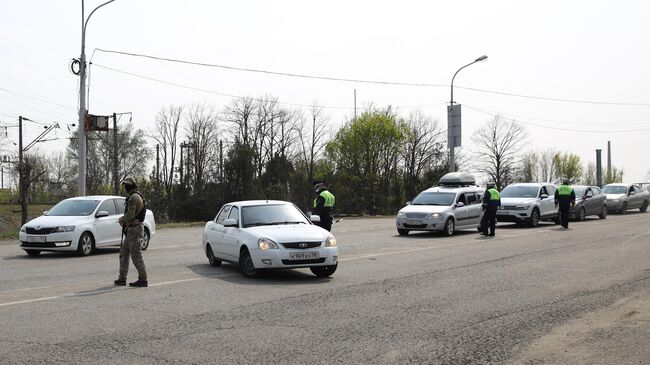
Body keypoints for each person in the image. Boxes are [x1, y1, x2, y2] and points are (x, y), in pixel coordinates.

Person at [114, 176, 148, 287]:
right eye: (125, 185)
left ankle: (143, 279)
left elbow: (130, 215)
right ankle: (122, 278)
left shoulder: (134, 197)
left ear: (131, 185)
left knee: (136, 255)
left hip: (135, 229)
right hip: (131, 229)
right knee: (123, 254)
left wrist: (122, 219)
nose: (125, 187)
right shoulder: (134, 196)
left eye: (127, 185)